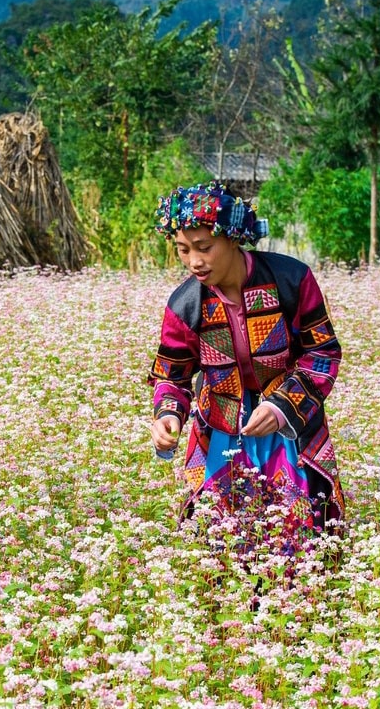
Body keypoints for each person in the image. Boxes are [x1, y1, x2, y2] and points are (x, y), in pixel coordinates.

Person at [147, 183, 344, 548]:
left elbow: (322, 353)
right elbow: (171, 376)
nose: (194, 261)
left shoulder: (291, 280)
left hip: (290, 427)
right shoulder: (184, 305)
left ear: (234, 239)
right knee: (222, 536)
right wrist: (168, 415)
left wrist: (281, 406)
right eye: (183, 250)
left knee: (300, 532)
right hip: (223, 427)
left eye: (204, 247)